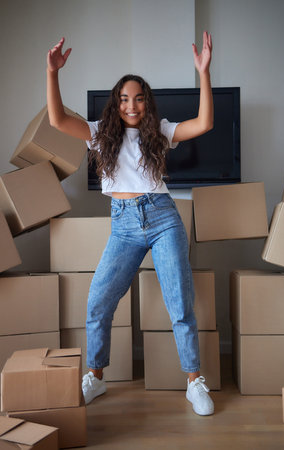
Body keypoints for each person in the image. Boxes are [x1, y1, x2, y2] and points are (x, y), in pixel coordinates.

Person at [47, 31, 214, 416]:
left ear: (147, 102)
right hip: (123, 225)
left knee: (180, 305)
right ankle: (97, 376)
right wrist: (52, 72)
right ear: (116, 103)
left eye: (138, 98)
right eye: (124, 98)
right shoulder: (98, 134)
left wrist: (204, 72)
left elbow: (204, 122)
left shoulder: (161, 132)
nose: (132, 105)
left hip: (162, 219)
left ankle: (194, 381)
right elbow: (56, 119)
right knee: (98, 303)